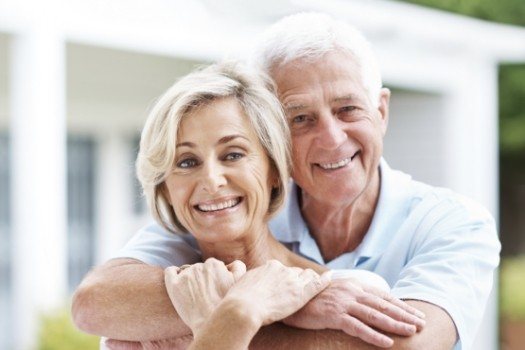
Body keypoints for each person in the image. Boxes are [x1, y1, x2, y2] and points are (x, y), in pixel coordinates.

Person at [72, 12, 500, 350]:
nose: (332, 138)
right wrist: (265, 301)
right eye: (301, 118)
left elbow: (406, 344)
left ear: (381, 112)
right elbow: (96, 303)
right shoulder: (221, 217)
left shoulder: (452, 223)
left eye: (349, 108)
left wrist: (226, 322)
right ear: (275, 139)